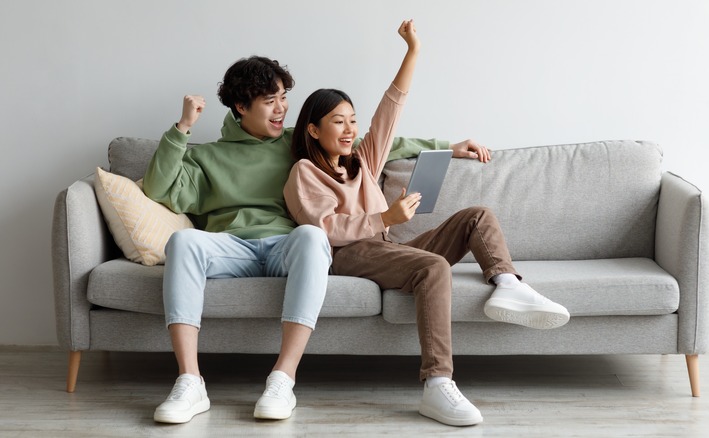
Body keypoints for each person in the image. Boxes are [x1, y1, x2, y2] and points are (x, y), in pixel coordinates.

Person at [143, 45, 490, 424]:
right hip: (231, 246)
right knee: (181, 240)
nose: (281, 109)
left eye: (284, 99)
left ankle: (282, 379)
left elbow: (374, 144)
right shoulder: (204, 157)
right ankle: (190, 381)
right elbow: (158, 188)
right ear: (241, 107)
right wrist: (182, 129)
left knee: (311, 235)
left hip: (288, 246)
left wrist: (447, 148)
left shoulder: (299, 144)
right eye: (269, 101)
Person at [283, 20, 570, 427]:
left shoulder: (363, 161)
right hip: (348, 255)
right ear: (313, 128)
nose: (350, 129)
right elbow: (323, 229)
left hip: (386, 248)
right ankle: (437, 384)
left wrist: (412, 51)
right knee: (433, 267)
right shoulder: (304, 173)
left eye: (352, 120)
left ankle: (508, 285)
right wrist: (386, 217)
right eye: (338, 121)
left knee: (477, 216)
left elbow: (391, 108)